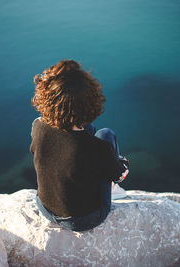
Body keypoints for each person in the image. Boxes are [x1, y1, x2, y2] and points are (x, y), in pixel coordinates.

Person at [30, 59, 129, 232]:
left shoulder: (37, 126)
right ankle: (115, 191)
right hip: (81, 220)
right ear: (90, 103)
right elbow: (120, 174)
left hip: (44, 207)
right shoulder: (100, 148)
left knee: (89, 132)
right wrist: (122, 162)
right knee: (105, 134)